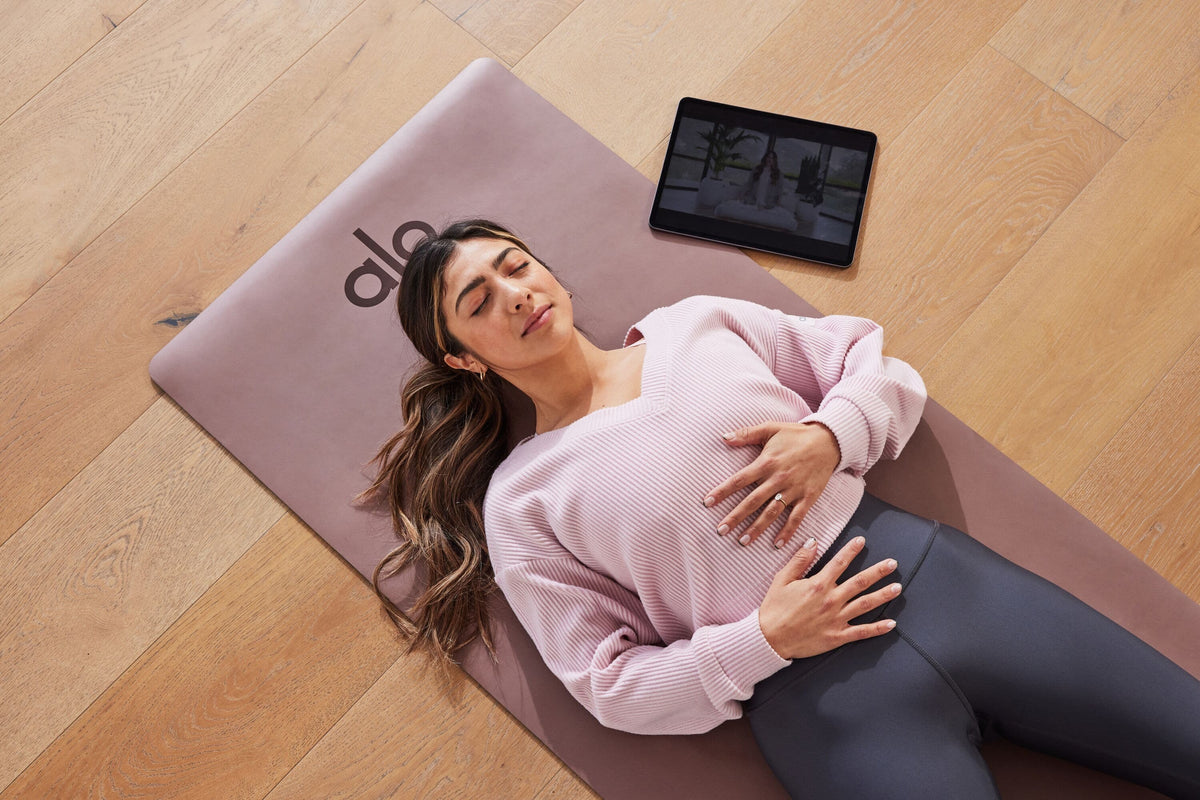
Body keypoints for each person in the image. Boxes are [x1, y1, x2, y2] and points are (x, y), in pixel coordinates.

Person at [363, 219, 1200, 799]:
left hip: (944, 585)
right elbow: (607, 685)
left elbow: (873, 364)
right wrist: (760, 642)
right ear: (463, 359)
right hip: (818, 703)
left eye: (514, 266)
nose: (512, 294)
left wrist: (831, 437)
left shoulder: (694, 325)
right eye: (477, 304)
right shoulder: (522, 500)